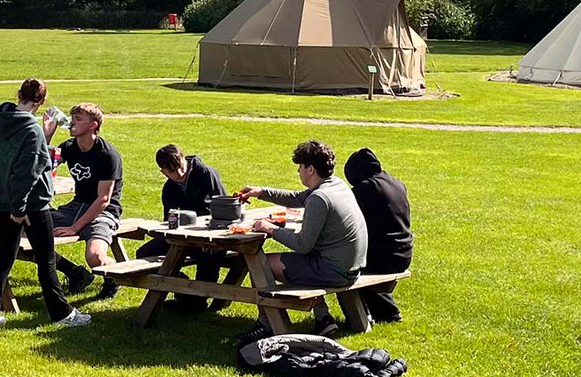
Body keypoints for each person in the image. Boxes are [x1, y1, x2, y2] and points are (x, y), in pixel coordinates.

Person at [0, 78, 90, 331]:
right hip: (30, 205)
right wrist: (20, 209)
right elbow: (27, 172)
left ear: (19, 94)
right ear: (41, 101)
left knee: (4, 259)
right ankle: (61, 313)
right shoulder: (31, 129)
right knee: (45, 259)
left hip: (3, 201)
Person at [239, 139, 368, 336]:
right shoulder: (335, 185)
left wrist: (270, 229)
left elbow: (302, 245)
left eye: (300, 166)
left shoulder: (319, 198)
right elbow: (298, 198)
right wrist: (261, 192)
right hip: (352, 267)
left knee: (261, 263)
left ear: (310, 169)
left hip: (334, 271)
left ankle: (267, 323)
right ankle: (323, 318)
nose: (298, 171)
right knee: (298, 263)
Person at [135, 144, 238, 310]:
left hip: (211, 236)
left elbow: (224, 207)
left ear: (185, 159)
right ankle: (185, 290)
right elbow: (169, 220)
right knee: (143, 254)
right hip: (182, 238)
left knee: (208, 257)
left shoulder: (205, 174)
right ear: (163, 172)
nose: (180, 174)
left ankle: (198, 300)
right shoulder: (169, 189)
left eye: (181, 168)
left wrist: (217, 236)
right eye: (172, 172)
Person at [41, 103, 123, 301]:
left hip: (103, 212)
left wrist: (75, 227)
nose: (71, 123)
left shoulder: (107, 155)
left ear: (93, 125)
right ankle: (75, 272)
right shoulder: (69, 147)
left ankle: (114, 279)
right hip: (75, 207)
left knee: (94, 257)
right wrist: (47, 136)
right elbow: (41, 164)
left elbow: (103, 199)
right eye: (72, 118)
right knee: (32, 228)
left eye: (78, 119)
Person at [343, 148, 412, 323]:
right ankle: (384, 313)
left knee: (340, 266)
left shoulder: (365, 189)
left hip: (383, 257)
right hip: (403, 251)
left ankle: (364, 317)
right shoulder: (396, 183)